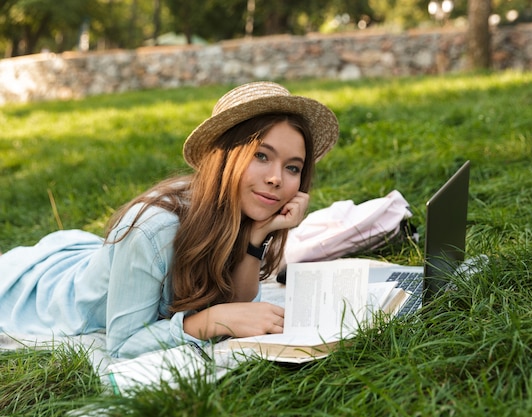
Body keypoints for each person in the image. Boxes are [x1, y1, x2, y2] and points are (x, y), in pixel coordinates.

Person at [0, 82, 339, 358]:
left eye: (292, 167)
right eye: (261, 156)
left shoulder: (243, 212)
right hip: (37, 297)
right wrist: (209, 321)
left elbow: (239, 301)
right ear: (224, 157)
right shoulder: (154, 229)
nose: (277, 178)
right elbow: (122, 344)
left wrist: (257, 236)